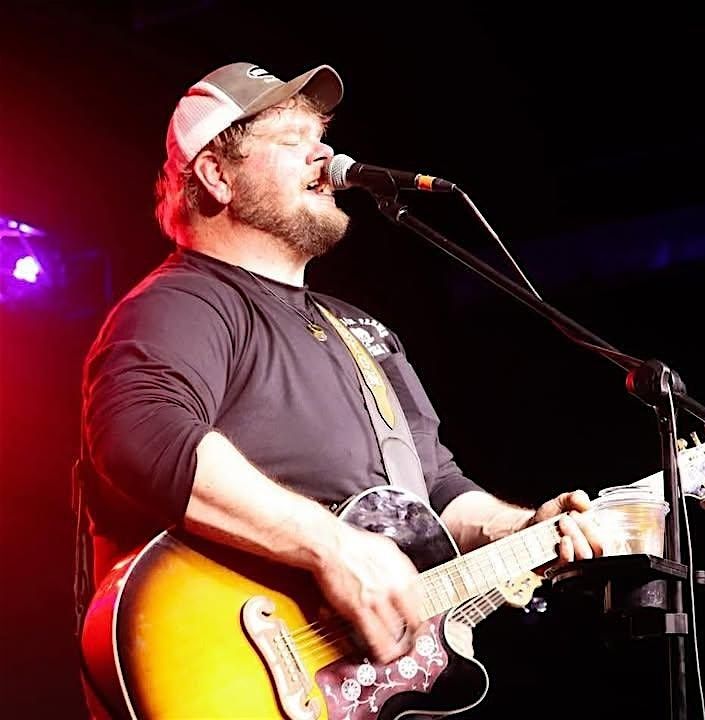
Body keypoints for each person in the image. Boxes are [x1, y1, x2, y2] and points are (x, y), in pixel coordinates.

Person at [75, 60, 605, 719]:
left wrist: (522, 528)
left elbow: (434, 489)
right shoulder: (183, 303)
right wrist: (330, 547)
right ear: (215, 174)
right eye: (291, 139)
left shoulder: (364, 331)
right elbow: (141, 434)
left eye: (319, 137)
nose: (323, 155)